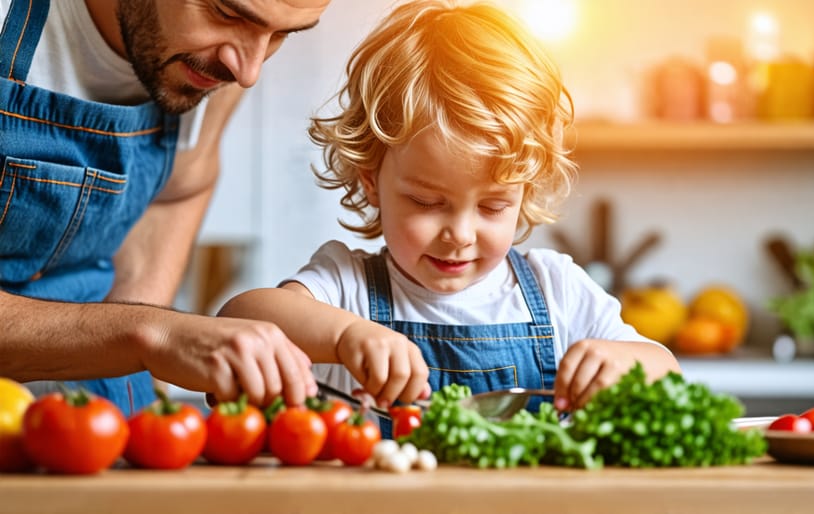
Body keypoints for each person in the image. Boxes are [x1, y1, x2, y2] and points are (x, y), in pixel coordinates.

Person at [218, 0, 681, 419]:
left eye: (494, 205)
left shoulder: (556, 290)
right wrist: (344, 337)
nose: (460, 233)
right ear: (371, 180)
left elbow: (666, 371)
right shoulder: (346, 288)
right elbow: (239, 319)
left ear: (524, 193)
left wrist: (623, 364)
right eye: (427, 202)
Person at [0, 0, 333, 415]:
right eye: (226, 14)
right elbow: (149, 334)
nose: (248, 72)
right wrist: (154, 335)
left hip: (93, 416)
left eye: (283, 34)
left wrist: (147, 378)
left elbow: (178, 191)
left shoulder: (217, 66)